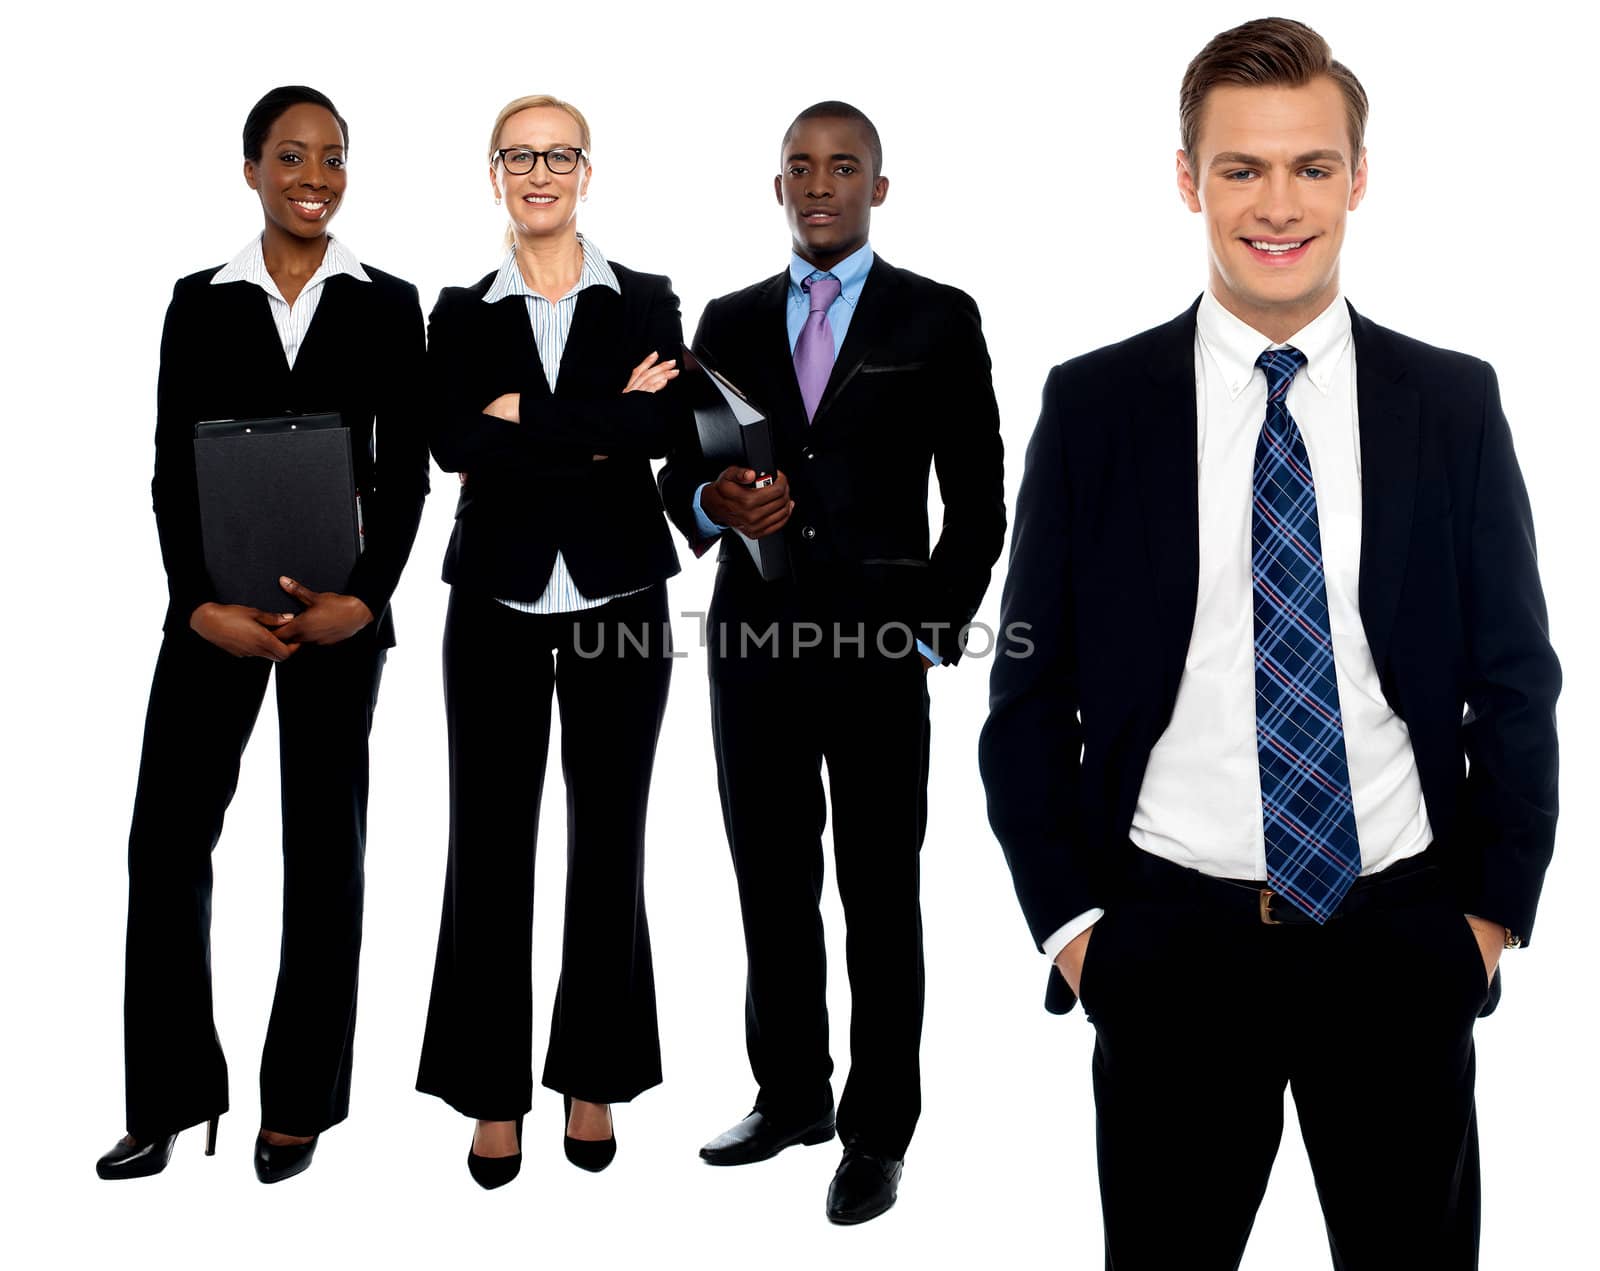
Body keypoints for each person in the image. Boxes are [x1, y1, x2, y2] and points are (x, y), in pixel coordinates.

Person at [980, 17, 1561, 1268]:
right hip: (1166, 945)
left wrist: (1489, 921)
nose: (1276, 203)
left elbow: (1516, 680)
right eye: (1241, 169)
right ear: (1188, 180)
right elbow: (1028, 690)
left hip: (1399, 936)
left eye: (1309, 166)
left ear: (1358, 177)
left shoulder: (1452, 401)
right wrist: (1080, 932)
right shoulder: (1094, 406)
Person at [658, 101, 1005, 1225]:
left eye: (842, 167)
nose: (821, 183)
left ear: (876, 189)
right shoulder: (726, 319)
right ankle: (792, 1093)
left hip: (873, 650)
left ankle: (876, 1128)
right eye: (800, 167)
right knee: (770, 883)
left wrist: (931, 622)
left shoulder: (937, 318)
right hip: (751, 647)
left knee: (877, 891)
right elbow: (679, 476)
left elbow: (982, 499)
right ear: (777, 189)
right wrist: (710, 499)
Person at [95, 86, 430, 1184]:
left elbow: (405, 473)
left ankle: (300, 1101)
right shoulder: (200, 301)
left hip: (336, 616)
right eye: (292, 155)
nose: (316, 176)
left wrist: (367, 599)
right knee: (165, 844)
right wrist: (195, 602)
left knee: (323, 856)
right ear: (251, 170)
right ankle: (169, 1096)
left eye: (334, 157)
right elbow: (168, 464)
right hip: (214, 615)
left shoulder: (387, 304)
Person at [414, 94, 683, 1189]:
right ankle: (490, 1091)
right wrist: (598, 426)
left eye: (557, 153)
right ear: (493, 174)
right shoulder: (458, 311)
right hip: (494, 601)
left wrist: (525, 420)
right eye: (518, 156)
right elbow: (446, 441)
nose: (539, 171)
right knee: (489, 845)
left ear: (586, 168)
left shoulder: (651, 300)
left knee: (609, 841)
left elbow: (663, 430)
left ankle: (592, 1074)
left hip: (621, 595)